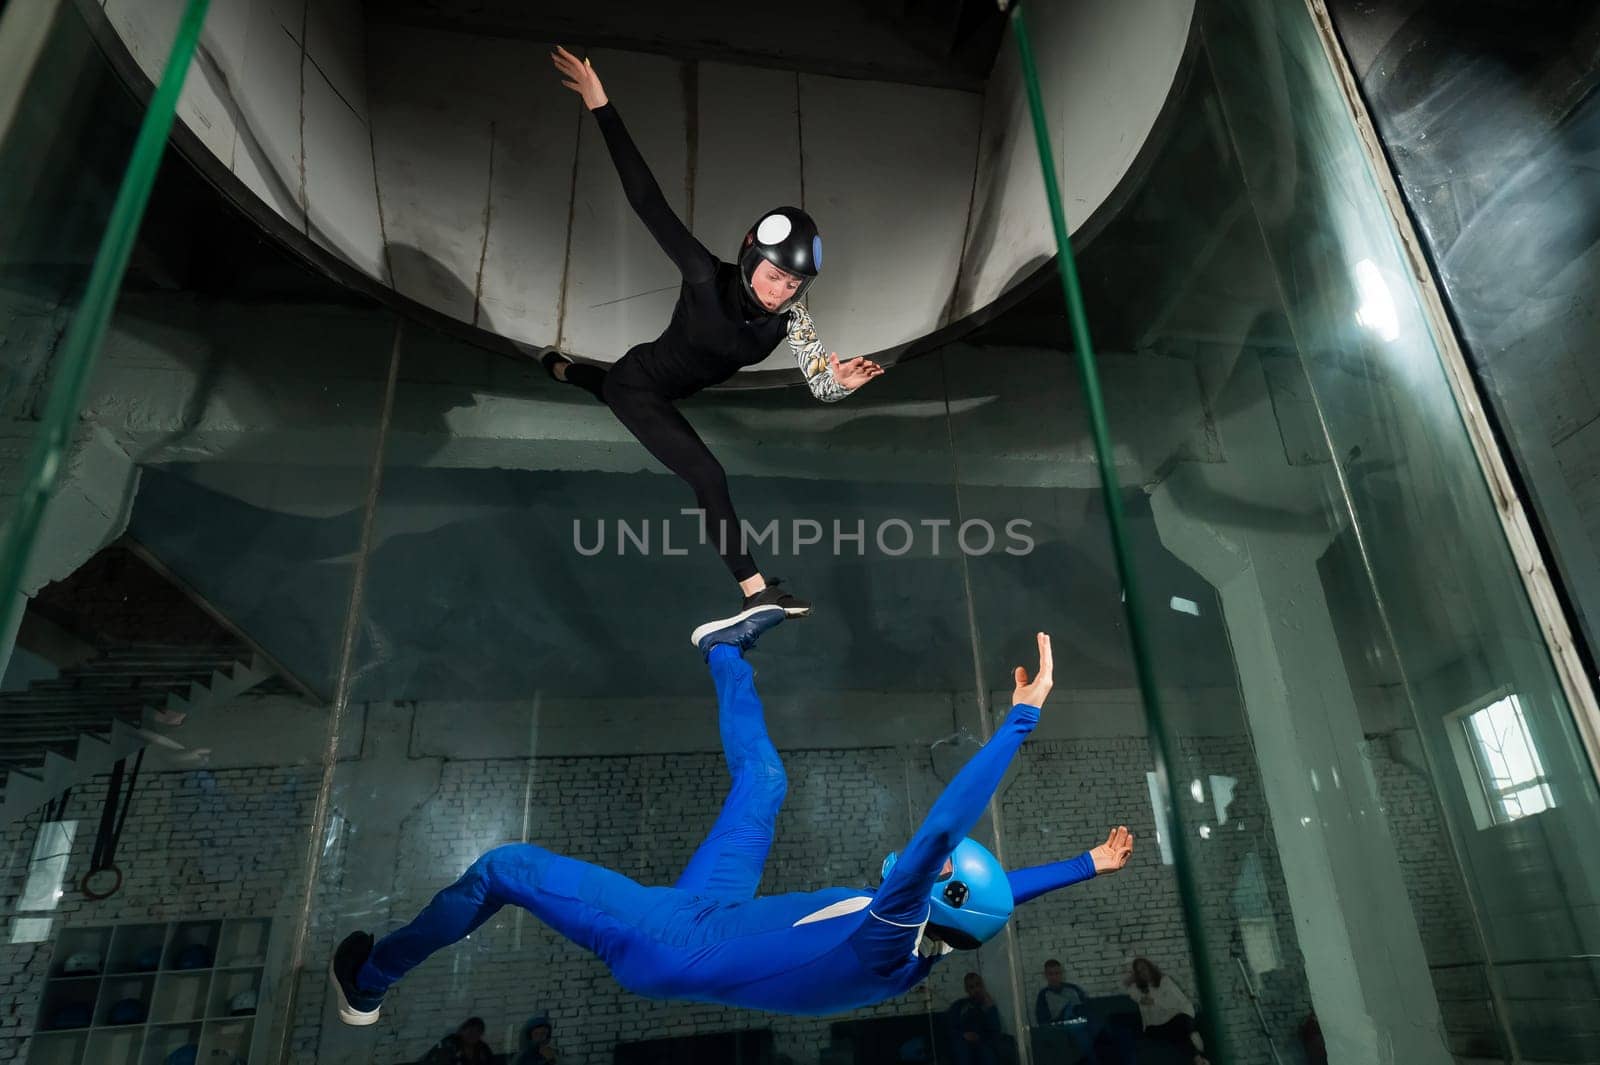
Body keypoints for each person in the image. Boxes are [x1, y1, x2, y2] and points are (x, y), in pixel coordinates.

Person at [329, 621, 1134, 1022]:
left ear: (933, 895)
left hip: (667, 940)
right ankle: (724, 650)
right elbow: (992, 905)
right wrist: (1085, 864)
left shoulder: (888, 934)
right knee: (766, 781)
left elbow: (938, 831)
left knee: (505, 865)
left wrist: (1020, 718)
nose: (917, 863)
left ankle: (369, 982)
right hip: (719, 914)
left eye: (936, 872)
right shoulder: (929, 940)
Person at [542, 46, 886, 621]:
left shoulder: (792, 319)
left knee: (593, 385)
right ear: (750, 255)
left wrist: (840, 381)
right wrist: (601, 105)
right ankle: (755, 591)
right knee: (703, 469)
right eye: (776, 277)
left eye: (795, 284)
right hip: (641, 385)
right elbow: (647, 202)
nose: (782, 292)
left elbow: (820, 386)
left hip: (672, 389)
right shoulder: (704, 277)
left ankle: (557, 367)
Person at [1123, 958, 1209, 1065]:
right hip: (1154, 1027)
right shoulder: (1138, 989)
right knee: (1181, 1028)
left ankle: (1198, 1060)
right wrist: (1140, 997)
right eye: (1139, 972)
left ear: (1150, 968)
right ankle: (1193, 1039)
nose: (1143, 973)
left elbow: (1183, 1002)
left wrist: (1187, 1018)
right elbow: (1126, 987)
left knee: (1181, 1024)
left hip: (1175, 1020)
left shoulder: (1165, 981)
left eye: (1144, 968)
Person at [947, 971, 1007, 1065]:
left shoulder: (988, 1004)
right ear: (967, 989)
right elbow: (951, 1029)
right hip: (964, 1043)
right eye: (972, 987)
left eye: (978, 985)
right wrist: (963, 1035)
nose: (976, 989)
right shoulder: (959, 1006)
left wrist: (990, 1007)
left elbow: (996, 1029)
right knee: (961, 1049)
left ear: (982, 985)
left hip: (983, 1042)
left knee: (987, 1051)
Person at [1034, 959, 1088, 1027]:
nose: (1054, 977)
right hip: (1058, 1029)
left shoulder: (1073, 989)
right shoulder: (1043, 995)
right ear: (1046, 975)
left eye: (1057, 973)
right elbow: (1042, 1021)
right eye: (1050, 974)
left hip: (1077, 1023)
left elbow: (1085, 1010)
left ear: (1061, 974)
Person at [418, 1016, 493, 1065]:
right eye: (470, 1032)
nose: (473, 1035)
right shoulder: (448, 1044)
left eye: (477, 1032)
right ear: (462, 1031)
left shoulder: (483, 1048)